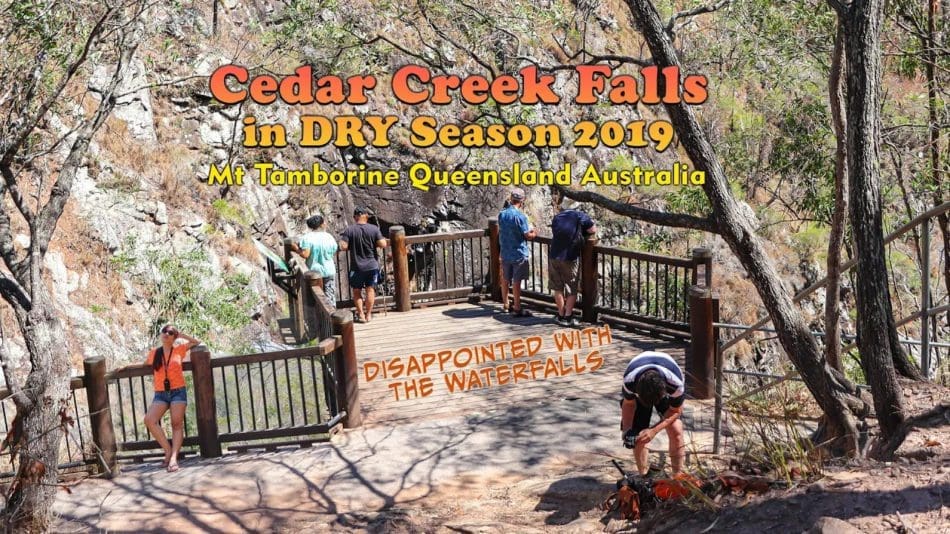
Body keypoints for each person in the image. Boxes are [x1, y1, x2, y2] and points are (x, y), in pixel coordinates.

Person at [143, 325, 201, 472]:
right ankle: (168, 450)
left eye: (170, 333)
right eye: (164, 331)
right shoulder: (154, 353)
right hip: (161, 393)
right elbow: (143, 365)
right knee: (149, 420)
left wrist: (182, 335)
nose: (166, 334)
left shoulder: (179, 350)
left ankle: (174, 457)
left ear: (174, 337)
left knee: (176, 424)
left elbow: (197, 342)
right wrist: (125, 367)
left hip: (178, 392)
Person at [620, 351, 686, 477]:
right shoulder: (630, 381)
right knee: (637, 433)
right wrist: (627, 430)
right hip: (641, 386)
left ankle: (678, 477)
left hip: (663, 383)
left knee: (676, 429)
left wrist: (654, 430)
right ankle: (644, 476)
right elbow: (628, 404)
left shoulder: (675, 384)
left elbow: (676, 411)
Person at [549, 200, 596, 326]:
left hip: (554, 255)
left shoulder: (557, 217)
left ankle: (560, 314)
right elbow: (592, 229)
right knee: (571, 287)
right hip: (570, 256)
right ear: (576, 207)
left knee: (557, 287)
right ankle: (568, 316)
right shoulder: (579, 216)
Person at [339, 206, 388, 323]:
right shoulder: (374, 229)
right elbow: (383, 244)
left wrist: (350, 243)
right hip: (372, 266)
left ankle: (361, 314)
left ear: (356, 216)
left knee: (357, 291)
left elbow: (343, 246)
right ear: (365, 215)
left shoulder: (349, 230)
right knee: (370, 290)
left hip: (356, 267)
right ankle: (369, 314)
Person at [498, 188, 537, 317]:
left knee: (505, 278)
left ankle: (505, 304)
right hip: (518, 253)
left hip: (505, 251)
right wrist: (534, 232)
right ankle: (517, 307)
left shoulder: (502, 214)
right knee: (516, 280)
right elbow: (527, 235)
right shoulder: (520, 216)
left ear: (511, 198)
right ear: (522, 200)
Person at [289, 214, 338, 305]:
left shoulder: (307, 238)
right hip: (329, 270)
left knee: (316, 297)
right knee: (330, 295)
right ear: (322, 224)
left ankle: (318, 318)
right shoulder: (329, 237)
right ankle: (332, 316)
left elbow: (305, 254)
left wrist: (296, 248)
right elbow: (334, 250)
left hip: (314, 272)